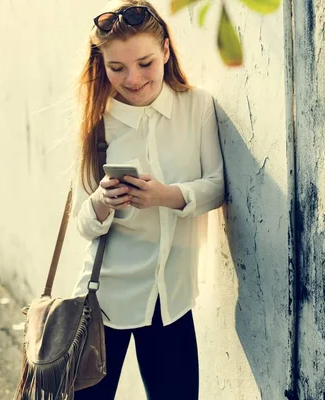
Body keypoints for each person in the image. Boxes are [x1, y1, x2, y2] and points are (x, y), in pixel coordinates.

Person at [70, 1, 224, 398]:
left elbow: (218, 185)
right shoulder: (96, 122)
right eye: (116, 68)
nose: (133, 78)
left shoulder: (197, 106)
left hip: (170, 299)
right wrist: (103, 201)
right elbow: (83, 224)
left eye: (145, 63)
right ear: (101, 65)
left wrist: (166, 196)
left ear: (166, 52)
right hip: (103, 302)